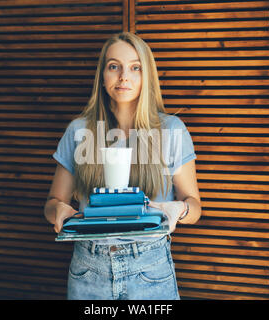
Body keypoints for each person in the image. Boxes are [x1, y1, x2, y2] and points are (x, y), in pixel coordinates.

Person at [43, 32, 201, 300]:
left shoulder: (172, 130)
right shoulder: (79, 131)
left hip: (150, 268)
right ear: (102, 77)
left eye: (135, 68)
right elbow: (52, 202)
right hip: (88, 268)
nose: (123, 76)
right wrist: (57, 210)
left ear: (146, 77)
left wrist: (180, 209)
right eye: (114, 66)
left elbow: (195, 206)